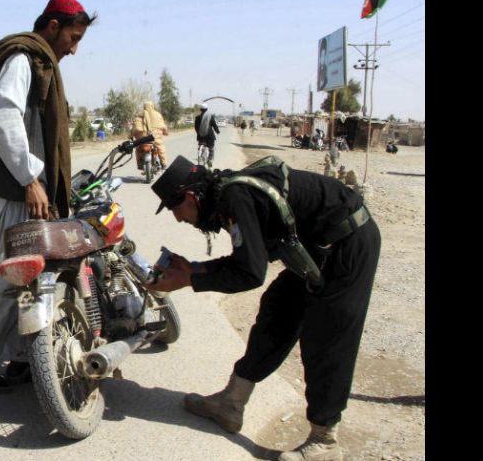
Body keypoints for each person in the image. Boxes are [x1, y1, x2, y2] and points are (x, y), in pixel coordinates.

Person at [146, 155, 381, 461]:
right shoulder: (226, 196)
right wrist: (194, 269)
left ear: (191, 197)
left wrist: (188, 280)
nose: (179, 219)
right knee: (278, 309)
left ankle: (325, 440)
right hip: (317, 249)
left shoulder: (234, 197)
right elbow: (248, 259)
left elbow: (249, 274)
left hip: (349, 243)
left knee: (327, 337)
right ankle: (231, 403)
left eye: (177, 211)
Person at [0, 0, 96, 393]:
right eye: (72, 37)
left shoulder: (41, 63)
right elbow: (3, 120)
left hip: (29, 194)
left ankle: (22, 358)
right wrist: (30, 179)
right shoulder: (21, 58)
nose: (74, 47)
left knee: (33, 283)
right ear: (52, 26)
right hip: (13, 192)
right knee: (3, 283)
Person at [132, 102, 169, 170]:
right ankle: (163, 164)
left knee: (138, 149)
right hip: (155, 138)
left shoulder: (139, 116)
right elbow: (163, 126)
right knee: (161, 148)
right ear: (153, 106)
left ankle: (140, 165)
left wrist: (130, 136)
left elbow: (134, 129)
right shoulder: (158, 115)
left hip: (142, 140)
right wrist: (166, 133)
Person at [195, 103, 219, 167]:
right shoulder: (210, 116)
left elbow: (196, 127)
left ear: (201, 110)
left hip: (201, 137)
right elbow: (214, 125)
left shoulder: (197, 117)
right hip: (209, 137)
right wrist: (217, 131)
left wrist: (199, 133)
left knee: (201, 146)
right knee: (211, 149)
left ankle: (200, 157)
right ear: (206, 109)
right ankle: (210, 160)